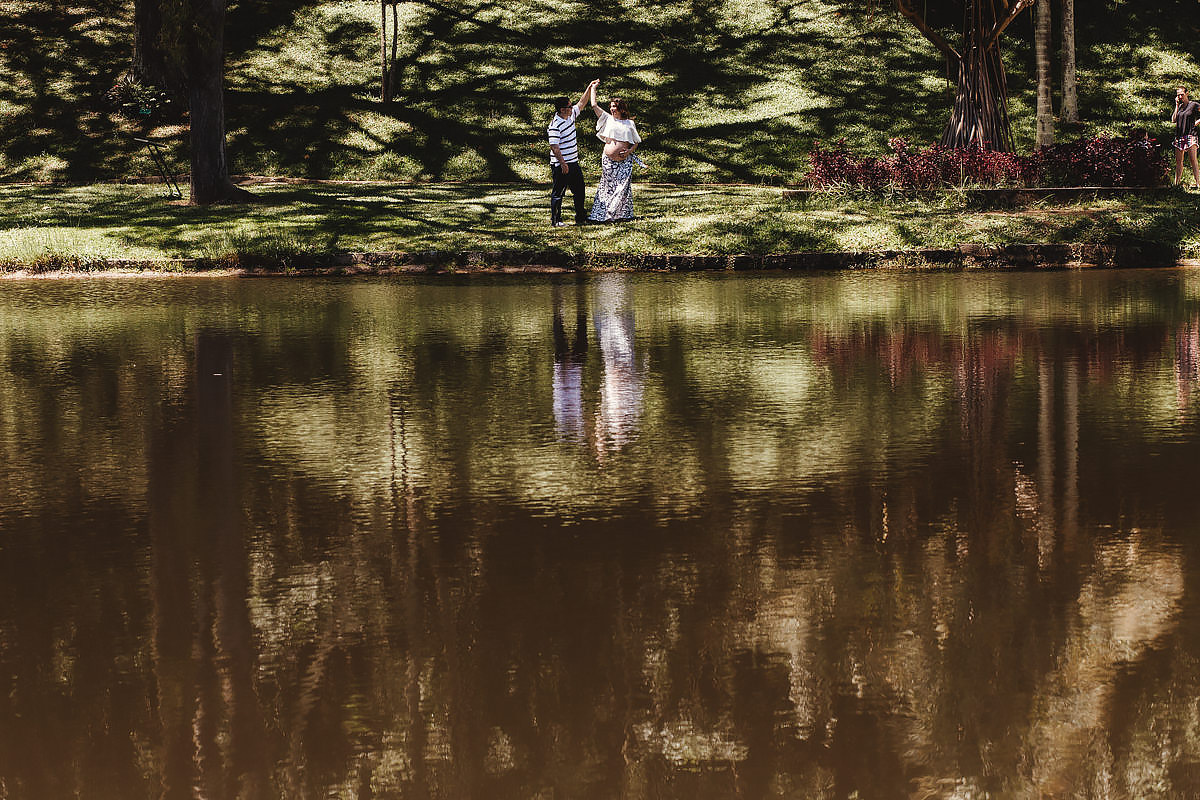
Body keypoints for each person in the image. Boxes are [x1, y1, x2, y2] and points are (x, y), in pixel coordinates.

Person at [548, 79, 600, 226]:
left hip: (573, 163)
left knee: (579, 190)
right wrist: (563, 164)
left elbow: (582, 103)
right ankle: (556, 220)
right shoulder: (555, 125)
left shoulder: (570, 116)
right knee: (559, 193)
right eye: (569, 106)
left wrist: (589, 87)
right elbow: (554, 147)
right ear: (562, 109)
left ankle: (581, 217)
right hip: (561, 164)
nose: (572, 108)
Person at [587, 92, 642, 222]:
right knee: (607, 186)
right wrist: (593, 88)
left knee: (622, 187)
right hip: (608, 161)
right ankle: (604, 214)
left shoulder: (629, 123)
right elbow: (594, 105)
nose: (612, 109)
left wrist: (629, 151)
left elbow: (636, 142)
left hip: (625, 161)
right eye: (611, 106)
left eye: (614, 107)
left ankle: (619, 214)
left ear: (621, 109)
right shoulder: (608, 119)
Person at [1172, 85, 1200, 188]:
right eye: (1178, 95)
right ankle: (1176, 183)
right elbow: (1173, 120)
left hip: (1190, 135)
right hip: (1179, 136)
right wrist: (1176, 105)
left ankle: (1198, 183)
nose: (1180, 97)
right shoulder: (1179, 107)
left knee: (1193, 160)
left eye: (1182, 94)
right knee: (1179, 162)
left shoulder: (1194, 105)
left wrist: (1196, 123)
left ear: (1187, 93)